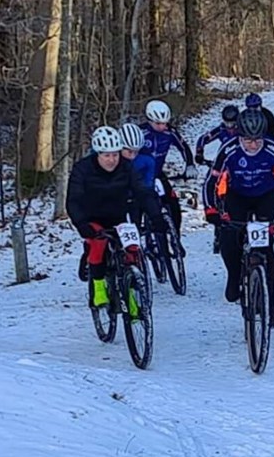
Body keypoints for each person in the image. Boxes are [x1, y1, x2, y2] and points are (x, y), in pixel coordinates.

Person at [206, 108, 274, 327]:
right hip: (237, 196)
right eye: (248, 141)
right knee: (230, 237)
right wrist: (211, 209)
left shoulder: (272, 150)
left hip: (266, 197)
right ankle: (234, 275)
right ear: (239, 137)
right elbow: (209, 183)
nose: (253, 146)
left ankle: (271, 300)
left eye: (258, 141)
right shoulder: (229, 150)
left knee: (266, 246)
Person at [67, 126, 164, 312]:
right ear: (98, 154)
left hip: (118, 215)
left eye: (115, 155)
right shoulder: (83, 169)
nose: (112, 160)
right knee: (99, 242)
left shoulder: (126, 168)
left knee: (132, 249)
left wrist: (156, 215)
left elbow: (143, 193)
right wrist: (81, 224)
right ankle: (98, 287)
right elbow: (73, 200)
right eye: (107, 156)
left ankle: (132, 287)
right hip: (92, 216)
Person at [140, 99, 195, 234]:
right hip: (140, 176)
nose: (162, 127)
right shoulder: (140, 132)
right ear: (149, 120)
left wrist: (189, 164)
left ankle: (175, 237)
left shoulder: (170, 132)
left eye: (165, 123)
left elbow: (184, 147)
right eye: (158, 123)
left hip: (158, 174)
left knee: (173, 205)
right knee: (139, 205)